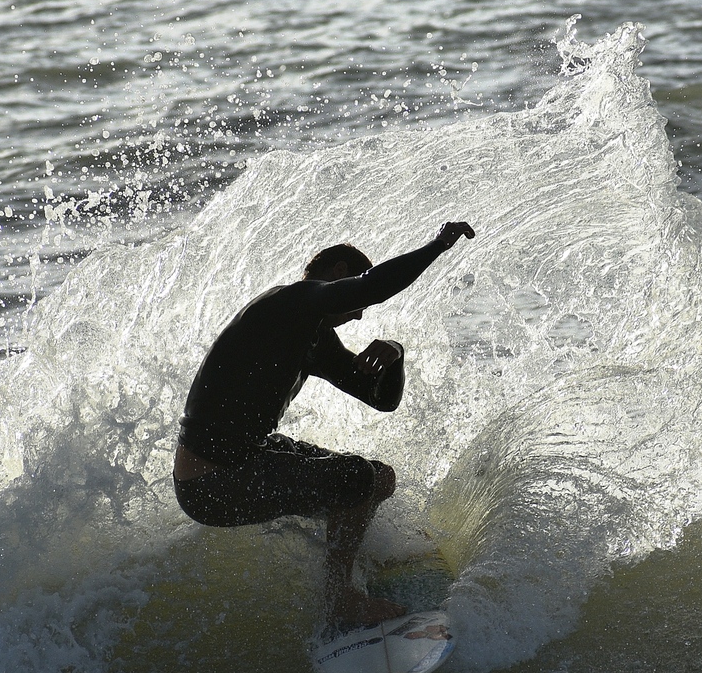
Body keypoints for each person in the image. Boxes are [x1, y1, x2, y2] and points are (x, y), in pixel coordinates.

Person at [173, 221, 476, 629]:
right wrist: (437, 245)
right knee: (354, 480)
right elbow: (372, 286)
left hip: (245, 460)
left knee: (378, 479)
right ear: (338, 273)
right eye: (354, 299)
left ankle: (352, 563)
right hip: (211, 482)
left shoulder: (314, 337)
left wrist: (396, 354)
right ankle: (340, 600)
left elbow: (381, 399)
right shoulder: (290, 303)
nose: (359, 313)